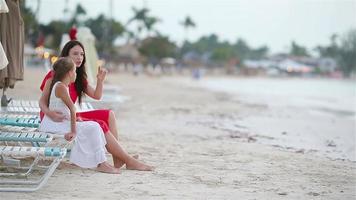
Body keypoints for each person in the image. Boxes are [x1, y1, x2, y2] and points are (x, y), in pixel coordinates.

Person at [39, 41, 152, 171]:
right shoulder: (54, 76)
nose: (79, 57)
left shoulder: (78, 78)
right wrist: (49, 113)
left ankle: (118, 158)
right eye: (75, 54)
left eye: (82, 54)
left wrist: (100, 81)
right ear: (66, 56)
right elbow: (42, 102)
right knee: (100, 124)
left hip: (69, 114)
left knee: (109, 114)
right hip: (54, 117)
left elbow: (97, 96)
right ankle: (128, 160)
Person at [39, 57, 119, 173]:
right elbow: (72, 108)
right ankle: (101, 163)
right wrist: (73, 131)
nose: (76, 74)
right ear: (70, 73)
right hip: (54, 124)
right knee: (95, 127)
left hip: (59, 122)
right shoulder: (61, 87)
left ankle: (102, 162)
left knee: (94, 126)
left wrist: (77, 122)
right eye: (75, 71)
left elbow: (65, 109)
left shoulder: (60, 86)